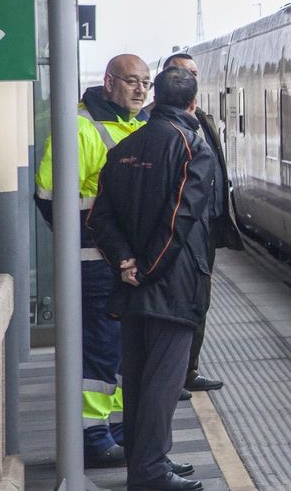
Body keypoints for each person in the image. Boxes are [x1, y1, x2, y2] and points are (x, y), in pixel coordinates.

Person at [87, 66, 211, 491]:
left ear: (156, 97)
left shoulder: (125, 146)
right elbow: (180, 219)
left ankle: (144, 467)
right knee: (163, 382)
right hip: (171, 286)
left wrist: (125, 262)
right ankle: (152, 472)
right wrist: (149, 268)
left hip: (132, 284)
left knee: (137, 379)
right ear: (192, 103)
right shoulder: (192, 147)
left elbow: (99, 217)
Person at [35, 54, 150, 466]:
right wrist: (87, 240)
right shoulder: (81, 126)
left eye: (145, 83)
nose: (139, 90)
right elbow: (49, 197)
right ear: (109, 82)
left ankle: (114, 427)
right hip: (93, 259)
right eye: (131, 81)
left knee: (119, 349)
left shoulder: (137, 126)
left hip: (123, 261)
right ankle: (91, 436)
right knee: (99, 349)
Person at [155, 52, 243, 394]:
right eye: (181, 72)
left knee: (199, 301)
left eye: (193, 72)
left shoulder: (202, 120)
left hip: (205, 228)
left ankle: (188, 370)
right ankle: (172, 375)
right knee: (176, 304)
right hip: (179, 230)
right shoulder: (159, 125)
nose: (189, 77)